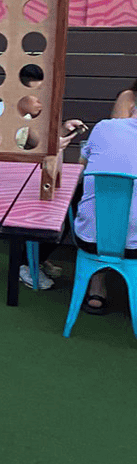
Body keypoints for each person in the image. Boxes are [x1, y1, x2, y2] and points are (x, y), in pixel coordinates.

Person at [70, 104, 137, 315]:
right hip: (134, 245)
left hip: (92, 240)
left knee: (91, 205)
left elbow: (81, 165)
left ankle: (96, 287)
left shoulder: (103, 127)